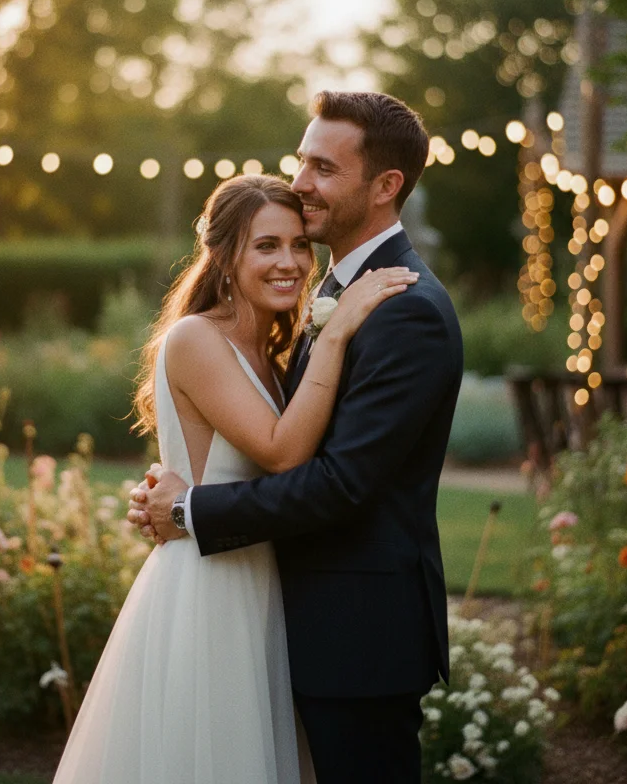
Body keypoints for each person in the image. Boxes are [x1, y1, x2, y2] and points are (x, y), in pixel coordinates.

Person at [130, 90, 464, 784]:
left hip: (359, 635)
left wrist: (191, 510)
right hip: (294, 617)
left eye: (322, 168)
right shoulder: (336, 296)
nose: (301, 182)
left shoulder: (405, 310)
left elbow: (341, 481)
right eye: (301, 161)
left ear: (385, 186)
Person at [51, 173, 416, 784]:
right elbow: (280, 452)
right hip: (209, 588)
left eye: (299, 244)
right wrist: (340, 328)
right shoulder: (196, 338)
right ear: (225, 258)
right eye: (265, 245)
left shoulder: (273, 351)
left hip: (261, 581)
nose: (291, 262)